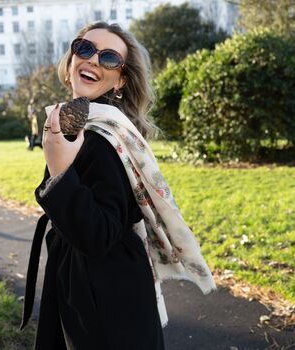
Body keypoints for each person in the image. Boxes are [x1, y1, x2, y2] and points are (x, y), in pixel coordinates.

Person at [20, 21, 216, 350]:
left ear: (121, 80)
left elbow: (99, 236)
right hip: (92, 283)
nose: (93, 60)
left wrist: (59, 170)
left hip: (105, 294)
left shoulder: (103, 137)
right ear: (71, 61)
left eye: (109, 58)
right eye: (84, 48)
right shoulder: (86, 121)